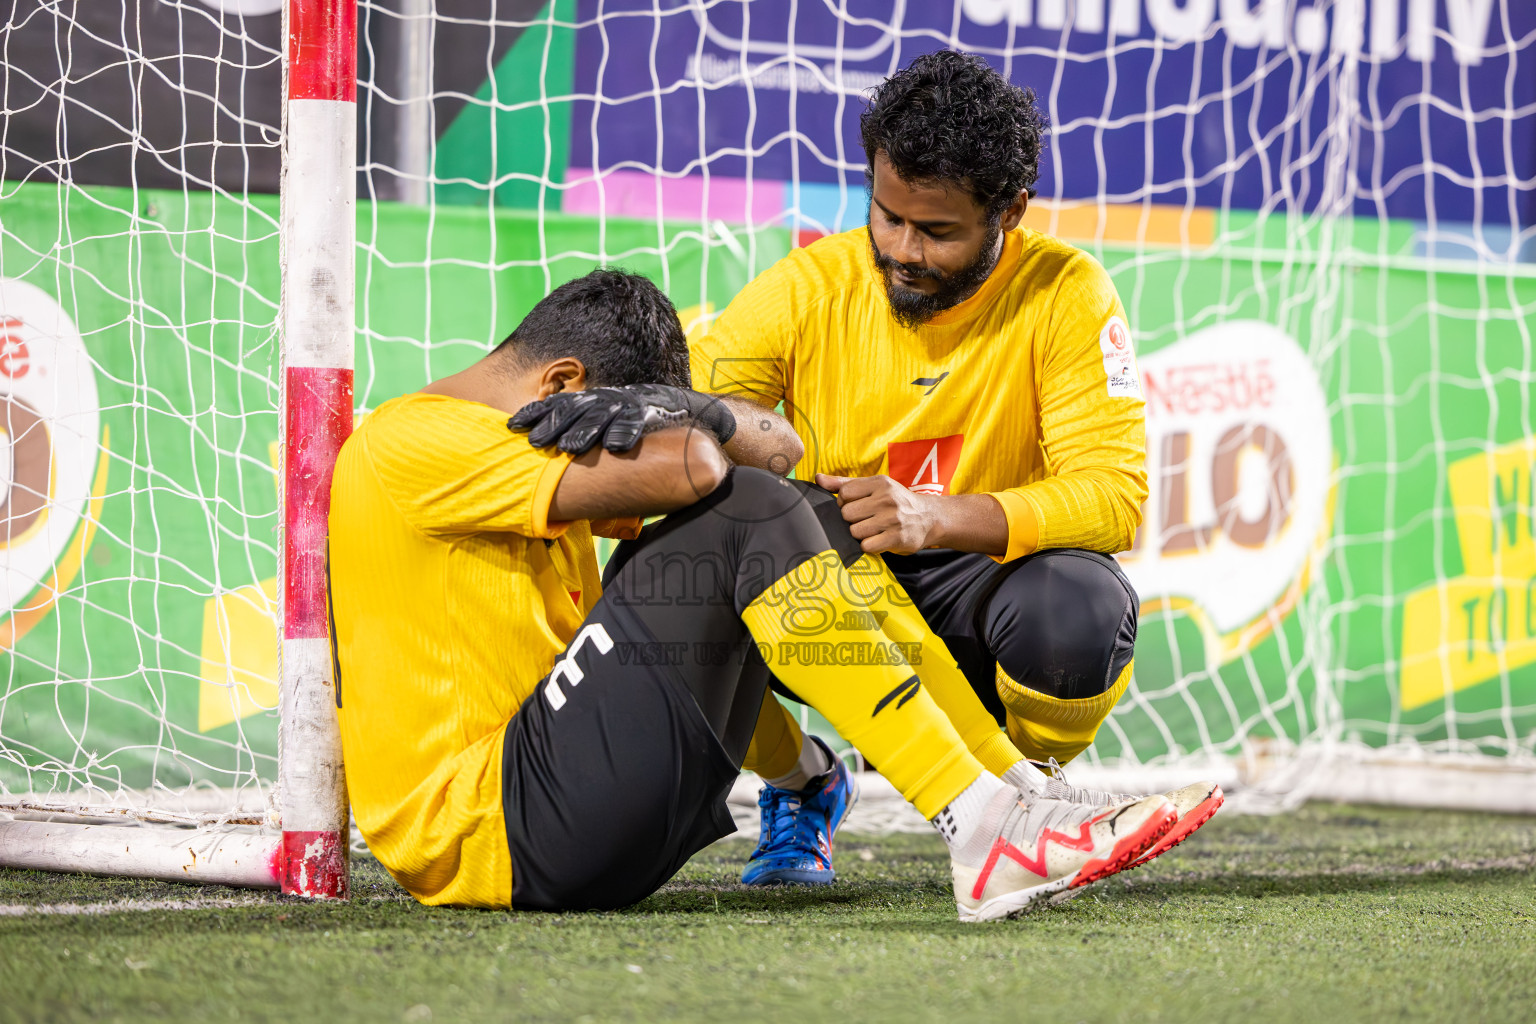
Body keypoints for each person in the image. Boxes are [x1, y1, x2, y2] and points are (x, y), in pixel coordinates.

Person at [327, 267, 1178, 921]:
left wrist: (679, 408)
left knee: (805, 514)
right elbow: (711, 468)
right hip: (491, 826)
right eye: (618, 417)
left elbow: (782, 451)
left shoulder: (520, 460)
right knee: (745, 513)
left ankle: (1004, 788)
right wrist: (688, 426)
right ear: (561, 388)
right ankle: (982, 825)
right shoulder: (413, 439)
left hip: (568, 808)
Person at [684, 50, 1223, 887]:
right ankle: (803, 784)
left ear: (1011, 209)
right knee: (701, 557)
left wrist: (934, 517)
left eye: (937, 232)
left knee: (1079, 607)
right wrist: (752, 439)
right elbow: (695, 412)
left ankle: (1021, 783)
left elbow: (1115, 498)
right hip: (837, 592)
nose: (902, 250)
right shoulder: (811, 286)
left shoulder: (1066, 294)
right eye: (887, 216)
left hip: (978, 596)